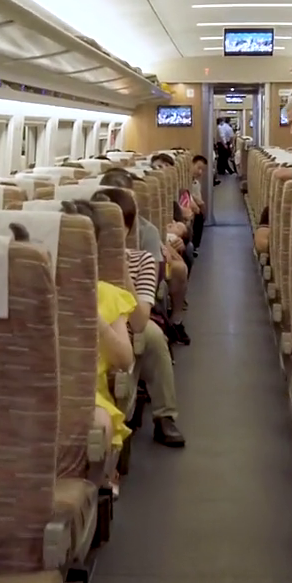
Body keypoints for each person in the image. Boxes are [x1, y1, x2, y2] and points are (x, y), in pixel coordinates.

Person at [97, 187, 185, 447]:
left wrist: (121, 270)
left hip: (127, 323)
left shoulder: (142, 260)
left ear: (126, 229)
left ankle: (164, 415)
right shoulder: (71, 260)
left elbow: (139, 320)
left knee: (152, 335)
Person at [93, 275, 137, 494]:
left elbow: (124, 359)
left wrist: (95, 318)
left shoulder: (104, 294)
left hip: (87, 393)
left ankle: (97, 488)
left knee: (99, 423)